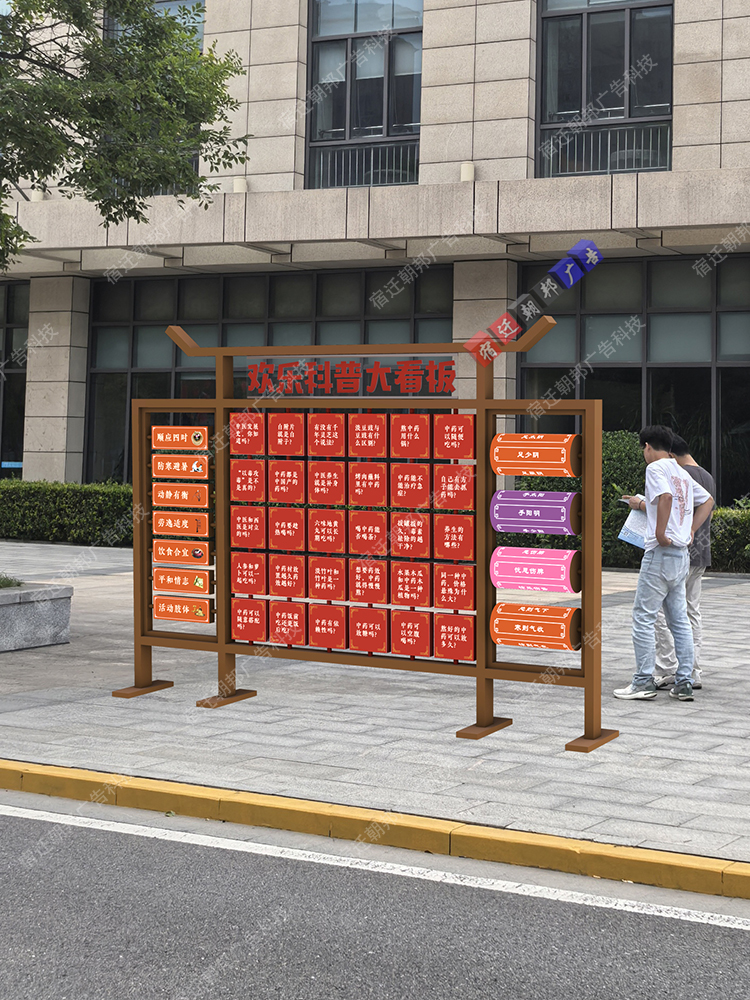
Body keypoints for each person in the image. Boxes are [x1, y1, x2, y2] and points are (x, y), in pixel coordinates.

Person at [614, 425, 714, 703]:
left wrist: (660, 533)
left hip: (660, 553)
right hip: (681, 554)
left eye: (643, 449)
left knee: (643, 617)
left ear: (647, 446)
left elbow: (666, 497)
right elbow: (708, 501)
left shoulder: (655, 469)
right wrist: (690, 529)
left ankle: (642, 682)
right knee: (679, 620)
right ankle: (684, 682)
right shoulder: (680, 472)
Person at [652, 434, 715, 691]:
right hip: (701, 553)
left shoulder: (679, 475)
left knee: (660, 612)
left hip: (678, 552)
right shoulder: (707, 476)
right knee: (691, 612)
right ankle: (693, 671)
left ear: (671, 454)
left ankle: (667, 668)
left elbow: (668, 506)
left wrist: (641, 504)